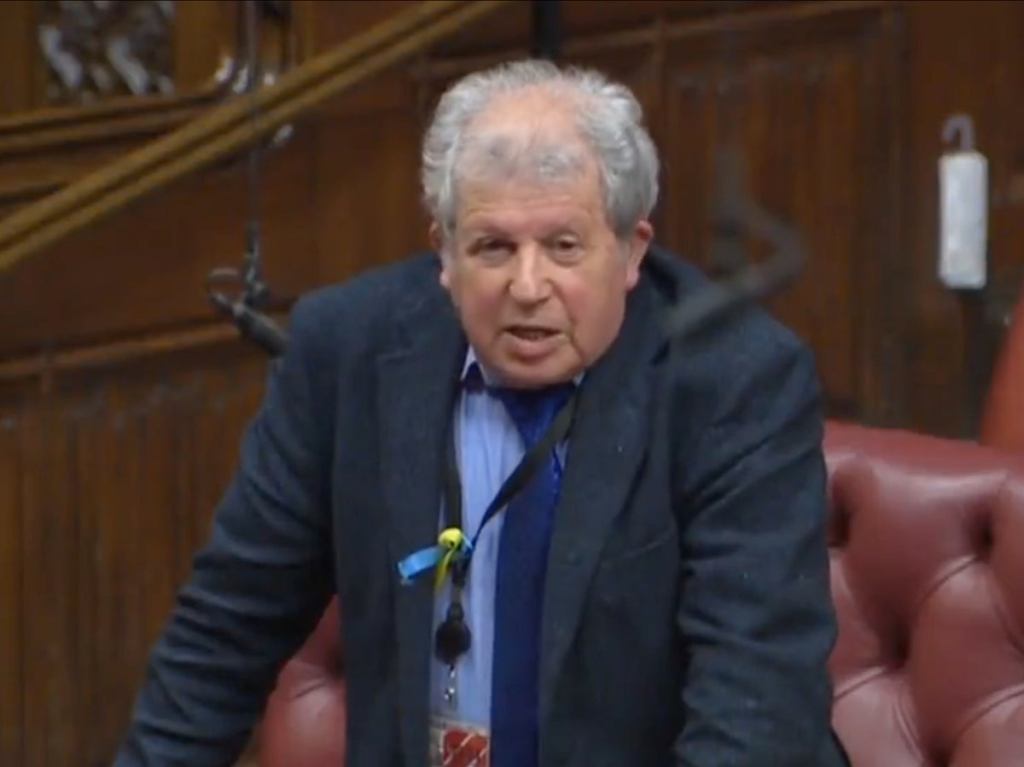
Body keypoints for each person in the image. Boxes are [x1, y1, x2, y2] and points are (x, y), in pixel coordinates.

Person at [115, 59, 848, 766]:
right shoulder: (347, 351)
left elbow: (756, 712)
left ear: (631, 251)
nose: (527, 286)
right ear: (444, 253)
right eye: (494, 247)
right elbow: (224, 631)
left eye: (564, 247)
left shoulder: (735, 381)